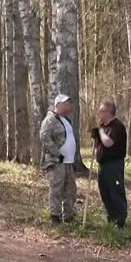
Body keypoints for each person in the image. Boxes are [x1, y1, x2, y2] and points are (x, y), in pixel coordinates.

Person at [39, 94, 80, 224]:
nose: (69, 106)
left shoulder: (67, 120)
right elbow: (44, 137)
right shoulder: (50, 120)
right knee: (56, 188)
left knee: (71, 189)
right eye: (66, 103)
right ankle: (55, 217)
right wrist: (57, 153)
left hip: (68, 162)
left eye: (69, 103)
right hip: (56, 161)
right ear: (58, 105)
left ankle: (68, 215)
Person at [91, 100, 128, 229]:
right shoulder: (104, 127)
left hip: (114, 165)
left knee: (115, 192)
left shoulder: (117, 127)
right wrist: (96, 139)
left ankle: (120, 221)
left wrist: (100, 132)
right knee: (105, 192)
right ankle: (111, 216)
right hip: (103, 165)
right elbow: (99, 146)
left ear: (108, 112)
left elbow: (108, 143)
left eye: (101, 111)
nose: (99, 113)